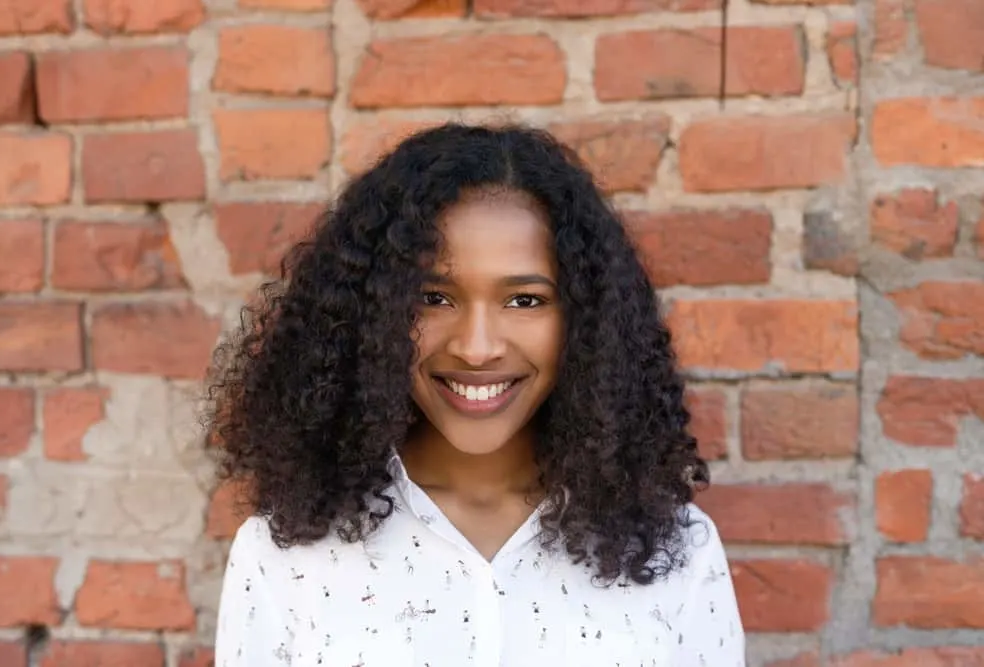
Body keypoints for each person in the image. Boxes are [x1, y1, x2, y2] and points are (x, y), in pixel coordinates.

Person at [205, 123, 745, 667]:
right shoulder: (286, 555)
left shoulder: (677, 550)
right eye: (434, 297)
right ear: (372, 314)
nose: (477, 347)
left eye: (525, 301)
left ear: (587, 321)